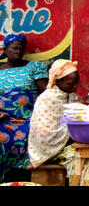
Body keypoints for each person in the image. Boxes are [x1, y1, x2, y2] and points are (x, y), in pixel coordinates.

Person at [0, 33, 49, 182]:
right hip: (3, 115)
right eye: (15, 48)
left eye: (21, 49)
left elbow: (46, 91)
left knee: (25, 133)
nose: (18, 52)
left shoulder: (33, 67)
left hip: (26, 115)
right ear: (5, 49)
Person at [27, 59, 80, 168]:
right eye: (71, 84)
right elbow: (46, 133)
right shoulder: (48, 99)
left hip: (65, 141)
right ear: (59, 81)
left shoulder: (70, 96)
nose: (75, 87)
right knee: (79, 158)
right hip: (49, 147)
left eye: (76, 83)